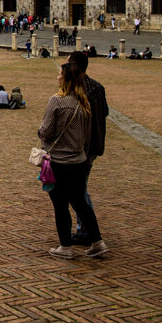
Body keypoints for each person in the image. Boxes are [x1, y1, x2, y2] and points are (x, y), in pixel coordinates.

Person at [38, 61, 107, 259]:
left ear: (66, 79)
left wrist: (40, 132)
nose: (57, 77)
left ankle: (65, 246)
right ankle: (97, 241)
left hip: (58, 162)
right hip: (79, 161)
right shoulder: (84, 101)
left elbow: (46, 130)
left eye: (60, 74)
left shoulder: (56, 101)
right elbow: (87, 135)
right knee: (80, 203)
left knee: (60, 204)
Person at [67, 50, 109, 247]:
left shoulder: (78, 90)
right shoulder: (98, 87)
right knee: (80, 188)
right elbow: (106, 112)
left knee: (78, 191)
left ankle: (88, 232)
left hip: (82, 147)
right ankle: (85, 230)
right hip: (96, 145)